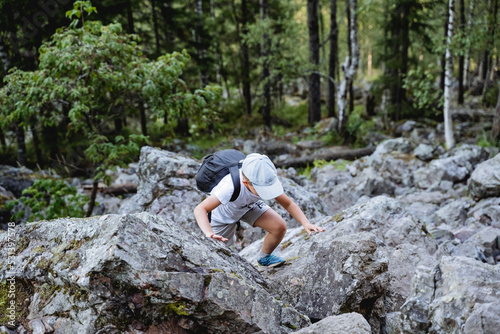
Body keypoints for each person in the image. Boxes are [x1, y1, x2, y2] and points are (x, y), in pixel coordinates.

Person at [193, 153, 325, 267]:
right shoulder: (229, 187)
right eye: (261, 190)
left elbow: (288, 203)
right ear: (246, 183)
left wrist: (306, 223)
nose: (265, 193)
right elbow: (200, 209)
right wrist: (209, 233)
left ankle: (264, 257)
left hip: (248, 206)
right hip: (222, 216)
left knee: (279, 226)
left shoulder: (263, 178)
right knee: (219, 253)